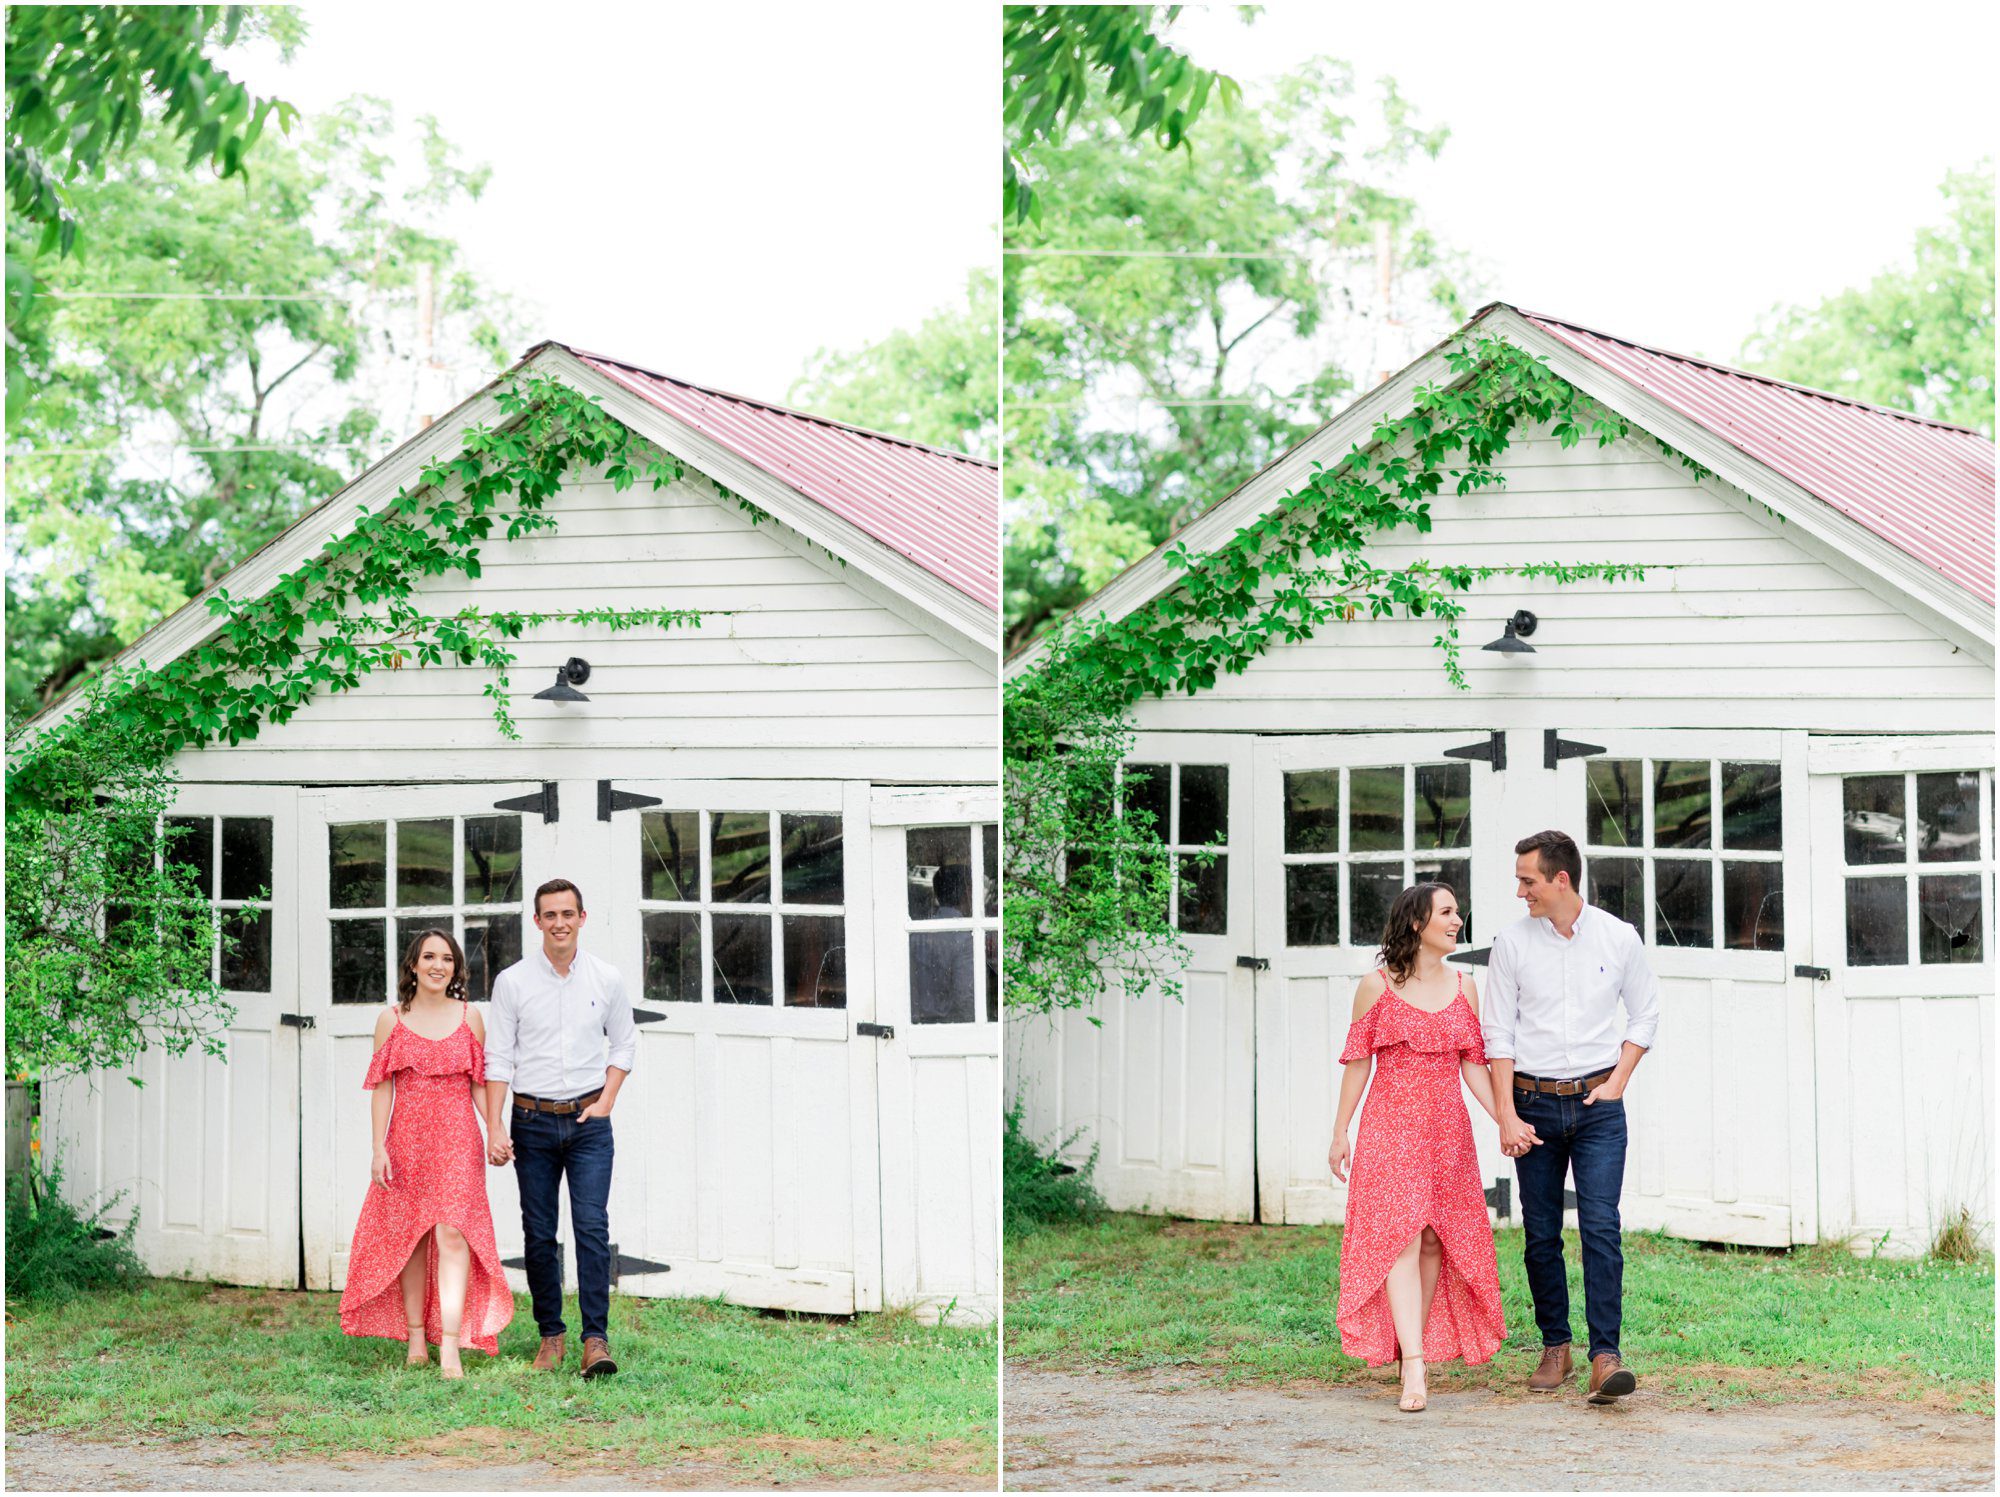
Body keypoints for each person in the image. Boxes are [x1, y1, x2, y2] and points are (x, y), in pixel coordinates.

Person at [1485, 829, 1659, 1405]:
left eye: (1527, 880)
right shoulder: (1511, 944)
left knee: (1602, 1229)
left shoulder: (1618, 937)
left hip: (1597, 1109)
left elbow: (1645, 1015)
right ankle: (1555, 1345)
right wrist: (1506, 1114)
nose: (1520, 892)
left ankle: (1605, 1356)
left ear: (1561, 879)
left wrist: (1618, 1083)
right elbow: (1498, 1035)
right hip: (1532, 1105)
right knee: (1540, 1235)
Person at [1328, 883, 1511, 1412]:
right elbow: (1358, 1061)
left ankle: (1416, 1346)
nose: (1458, 921)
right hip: (1390, 1130)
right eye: (1447, 913)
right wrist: (1340, 1131)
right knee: (1402, 1241)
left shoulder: (1465, 987)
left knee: (1435, 1242)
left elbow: (1473, 1067)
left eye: (1457, 913)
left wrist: (1506, 1119)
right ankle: (1414, 1366)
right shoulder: (1375, 985)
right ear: (1417, 923)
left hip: (1448, 1134)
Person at [339, 929, 515, 1377]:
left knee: (453, 1233)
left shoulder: (471, 1016)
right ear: (413, 965)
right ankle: (416, 1335)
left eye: (447, 959)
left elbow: (479, 1083)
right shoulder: (391, 1019)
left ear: (455, 968)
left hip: (458, 1139)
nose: (439, 966)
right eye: (429, 957)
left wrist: (495, 1128)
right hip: (407, 1140)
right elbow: (381, 1089)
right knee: (411, 1238)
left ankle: (451, 1344)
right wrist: (377, 1148)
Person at [483, 878, 637, 1379]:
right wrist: (494, 1126)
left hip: (590, 1122)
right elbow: (498, 1058)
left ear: (582, 918)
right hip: (531, 1122)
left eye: (567, 913)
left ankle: (596, 1340)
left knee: (592, 1228)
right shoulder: (513, 982)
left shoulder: (606, 978)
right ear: (537, 922)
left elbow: (624, 1045)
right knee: (539, 1232)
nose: (559, 923)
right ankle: (551, 1336)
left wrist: (608, 1100)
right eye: (550, 915)